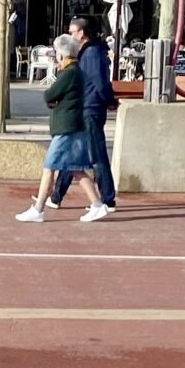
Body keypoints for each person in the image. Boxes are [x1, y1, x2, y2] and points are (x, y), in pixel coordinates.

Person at [16, 34, 97, 224]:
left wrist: (54, 100)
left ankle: (38, 209)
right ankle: (97, 204)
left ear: (61, 54)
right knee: (76, 169)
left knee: (49, 167)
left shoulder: (69, 73)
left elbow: (49, 94)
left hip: (66, 128)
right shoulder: (76, 71)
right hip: (72, 126)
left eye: (56, 53)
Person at [49, 13, 117, 224]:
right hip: (85, 108)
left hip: (90, 109)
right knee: (73, 153)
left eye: (72, 32)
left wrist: (108, 100)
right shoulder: (88, 53)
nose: (70, 36)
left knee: (95, 155)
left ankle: (107, 200)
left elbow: (100, 83)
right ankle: (56, 196)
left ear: (82, 33)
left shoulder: (92, 54)